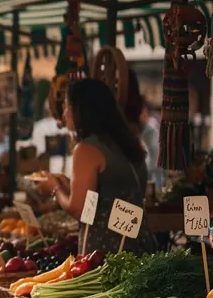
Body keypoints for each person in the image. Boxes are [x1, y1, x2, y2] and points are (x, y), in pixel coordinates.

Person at [36, 77, 153, 255]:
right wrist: (69, 186)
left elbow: (79, 210)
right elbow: (102, 198)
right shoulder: (120, 143)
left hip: (108, 253)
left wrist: (54, 189)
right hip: (135, 247)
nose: (65, 113)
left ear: (81, 111)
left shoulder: (86, 149)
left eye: (67, 106)